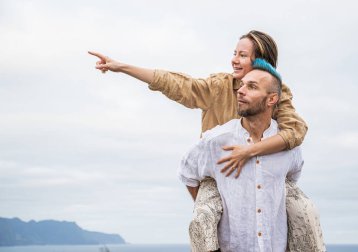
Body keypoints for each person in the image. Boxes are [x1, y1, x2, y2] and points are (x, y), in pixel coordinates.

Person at [89, 30, 325, 252]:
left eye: (242, 55)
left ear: (261, 62)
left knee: (304, 210)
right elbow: (176, 84)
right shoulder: (219, 87)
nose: (234, 60)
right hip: (218, 174)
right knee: (203, 218)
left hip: (260, 171)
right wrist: (121, 67)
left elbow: (295, 131)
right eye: (234, 53)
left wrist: (251, 151)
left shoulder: (276, 92)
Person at [179, 64, 302, 251]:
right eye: (242, 85)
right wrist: (211, 209)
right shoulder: (216, 141)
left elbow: (291, 179)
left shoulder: (288, 147)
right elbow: (188, 173)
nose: (240, 91)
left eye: (251, 87)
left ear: (272, 99)